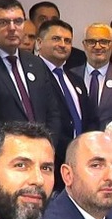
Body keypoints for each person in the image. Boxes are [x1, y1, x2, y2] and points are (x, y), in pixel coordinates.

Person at [0, 0, 66, 139]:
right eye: (3, 22)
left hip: (40, 148)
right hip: (1, 149)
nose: (12, 28)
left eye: (18, 21)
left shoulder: (35, 63)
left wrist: (47, 144)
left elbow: (52, 112)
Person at [29, 18, 81, 152]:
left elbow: (89, 118)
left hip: (80, 154)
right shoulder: (31, 77)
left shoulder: (76, 79)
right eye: (56, 39)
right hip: (50, 152)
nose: (63, 45)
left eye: (67, 41)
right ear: (39, 43)